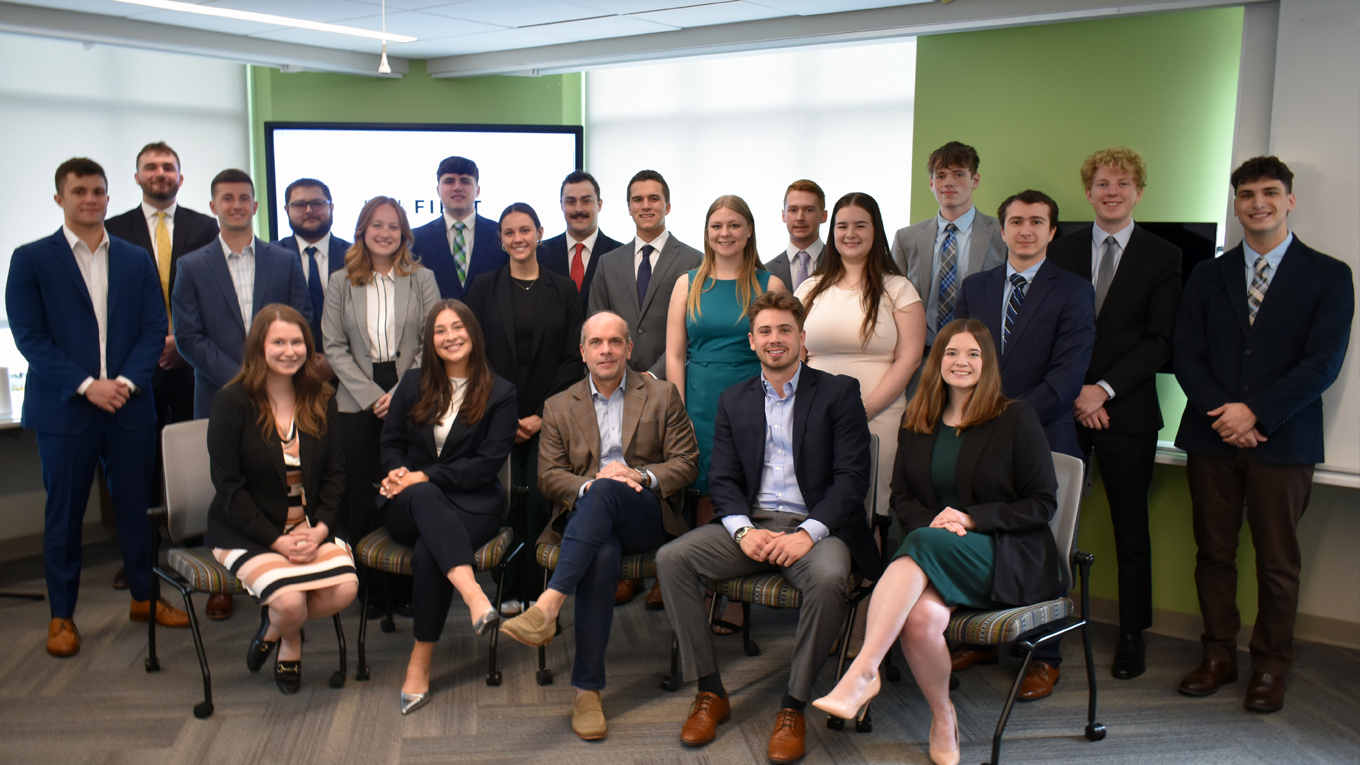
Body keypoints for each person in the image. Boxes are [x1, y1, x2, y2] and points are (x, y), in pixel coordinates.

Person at [812, 319, 1061, 765]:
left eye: (972, 354)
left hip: (1002, 553)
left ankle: (863, 670)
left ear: (987, 363)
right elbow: (902, 497)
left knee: (922, 542)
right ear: (936, 361)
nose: (960, 362)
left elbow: (1041, 504)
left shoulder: (1014, 417)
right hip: (935, 551)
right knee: (922, 622)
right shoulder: (918, 419)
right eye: (950, 353)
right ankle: (943, 715)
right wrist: (939, 527)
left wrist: (970, 518)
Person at [657, 291, 880, 765]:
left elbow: (851, 481)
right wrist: (743, 532)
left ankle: (793, 706)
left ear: (801, 339)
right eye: (765, 332)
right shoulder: (733, 400)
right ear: (752, 342)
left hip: (819, 528)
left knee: (827, 580)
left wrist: (808, 533)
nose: (774, 339)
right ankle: (710, 692)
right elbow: (724, 478)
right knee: (672, 558)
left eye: (784, 331)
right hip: (755, 525)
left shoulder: (839, 392)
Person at [1173, 156, 1353, 714]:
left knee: (1277, 562)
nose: (1258, 203)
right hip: (1211, 437)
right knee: (1214, 555)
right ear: (1235, 203)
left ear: (1289, 200)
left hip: (1285, 440)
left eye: (1270, 192)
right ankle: (1218, 655)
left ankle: (1271, 667)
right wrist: (1224, 414)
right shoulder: (1208, 273)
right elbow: (1186, 354)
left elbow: (1322, 362)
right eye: (1247, 194)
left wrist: (1254, 414)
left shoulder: (1329, 274)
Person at [7, 157, 190, 657]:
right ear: (60, 198)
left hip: (129, 405)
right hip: (66, 410)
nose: (90, 199)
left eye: (98, 192)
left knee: (137, 510)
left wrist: (126, 382)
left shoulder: (134, 258)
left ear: (110, 197)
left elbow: (155, 326)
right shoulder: (31, 259)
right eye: (79, 191)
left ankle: (144, 598)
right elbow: (30, 338)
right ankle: (62, 616)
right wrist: (88, 385)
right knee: (63, 516)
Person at [499, 311, 699, 741]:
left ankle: (549, 605)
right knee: (601, 546)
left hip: (645, 515)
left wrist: (638, 476)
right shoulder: (558, 405)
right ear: (583, 352)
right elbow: (549, 476)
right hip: (591, 521)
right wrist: (593, 484)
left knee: (612, 484)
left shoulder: (663, 395)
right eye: (596, 343)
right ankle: (587, 691)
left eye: (614, 342)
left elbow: (686, 463)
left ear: (629, 348)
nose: (605, 350)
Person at [953, 189, 1094, 700]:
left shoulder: (1075, 291)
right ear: (1003, 228)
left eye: (1037, 222)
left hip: (1044, 437)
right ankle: (987, 639)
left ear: (1053, 231)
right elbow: (963, 357)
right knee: (983, 536)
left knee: (1039, 547)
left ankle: (1044, 653)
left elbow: (1067, 375)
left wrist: (1005, 419)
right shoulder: (976, 287)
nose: (1026, 230)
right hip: (977, 434)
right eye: (1016, 221)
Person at [1049, 147, 1182, 680]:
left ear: (1138, 192)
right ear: (1088, 192)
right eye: (1102, 183)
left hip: (1127, 412)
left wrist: (1102, 390)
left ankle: (1132, 636)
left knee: (1131, 531)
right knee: (1052, 525)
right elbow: (1054, 330)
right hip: (1065, 408)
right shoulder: (1064, 250)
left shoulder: (1163, 255)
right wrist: (1078, 393)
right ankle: (1043, 623)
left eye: (1122, 183)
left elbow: (1160, 340)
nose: (1112, 191)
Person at [206, 304, 358, 695]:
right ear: (259, 346)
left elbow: (335, 475)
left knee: (346, 590)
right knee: (290, 603)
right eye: (278, 342)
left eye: (297, 342)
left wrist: (321, 528)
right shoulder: (231, 403)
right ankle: (289, 639)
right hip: (249, 530)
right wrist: (277, 541)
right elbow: (228, 487)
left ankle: (273, 626)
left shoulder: (321, 398)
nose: (289, 351)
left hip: (308, 526)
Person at [378, 300, 519, 715]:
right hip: (408, 504)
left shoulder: (501, 393)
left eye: (458, 327)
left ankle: (419, 662)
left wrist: (426, 476)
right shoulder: (412, 383)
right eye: (440, 330)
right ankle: (475, 596)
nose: (450, 336)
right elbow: (390, 444)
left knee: (429, 553)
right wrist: (399, 474)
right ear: (430, 340)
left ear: (473, 334)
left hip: (471, 505)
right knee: (422, 496)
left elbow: (486, 465)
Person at [105, 141, 222, 610]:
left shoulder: (206, 226)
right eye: (150, 168)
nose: (160, 174)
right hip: (135, 367)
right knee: (139, 465)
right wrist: (153, 344)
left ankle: (206, 550)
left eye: (168, 167)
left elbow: (217, 295)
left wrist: (181, 341)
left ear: (180, 176)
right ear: (136, 178)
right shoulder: (113, 230)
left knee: (201, 457)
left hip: (195, 363)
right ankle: (140, 555)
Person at [665, 194, 784, 627]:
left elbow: (780, 350)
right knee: (701, 492)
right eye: (717, 226)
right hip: (697, 400)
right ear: (707, 232)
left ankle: (734, 598)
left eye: (734, 225)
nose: (725, 233)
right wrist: (677, 413)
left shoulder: (769, 284)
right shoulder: (688, 282)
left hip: (752, 397)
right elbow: (675, 355)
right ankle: (697, 588)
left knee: (743, 490)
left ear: (749, 230)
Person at [465, 202, 585, 614]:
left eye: (525, 230)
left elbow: (573, 357)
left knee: (538, 499)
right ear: (500, 239)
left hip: (548, 413)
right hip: (495, 412)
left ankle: (538, 589)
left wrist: (541, 414)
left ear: (539, 232)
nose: (517, 238)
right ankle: (506, 587)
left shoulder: (563, 288)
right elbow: (472, 353)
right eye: (509, 232)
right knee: (501, 500)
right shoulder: (483, 287)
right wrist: (504, 411)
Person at [797, 191, 925, 523]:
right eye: (842, 226)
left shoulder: (898, 289)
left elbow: (909, 359)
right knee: (815, 508)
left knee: (870, 512)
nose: (850, 234)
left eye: (860, 225)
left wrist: (859, 412)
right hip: (814, 419)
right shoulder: (808, 289)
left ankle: (871, 576)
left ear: (876, 231)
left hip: (878, 415)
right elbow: (795, 356)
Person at [321, 196, 439, 544]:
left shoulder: (423, 279)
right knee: (359, 490)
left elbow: (431, 340)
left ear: (404, 233)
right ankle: (366, 586)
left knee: (404, 483)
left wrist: (401, 392)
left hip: (412, 389)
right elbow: (334, 346)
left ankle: (405, 585)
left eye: (393, 226)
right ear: (362, 230)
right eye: (377, 225)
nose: (385, 233)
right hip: (356, 396)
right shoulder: (340, 282)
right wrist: (374, 396)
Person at [172, 169, 312, 419]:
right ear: (213, 206)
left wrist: (271, 372)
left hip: (281, 390)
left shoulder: (285, 261)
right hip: (219, 394)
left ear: (255, 206)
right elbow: (188, 336)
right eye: (227, 198)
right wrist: (240, 378)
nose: (237, 205)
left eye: (244, 198)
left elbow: (301, 319)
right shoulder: (191, 267)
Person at [890, 141, 1006, 393]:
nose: (948, 182)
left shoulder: (1001, 232)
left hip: (981, 358)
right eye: (940, 175)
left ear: (974, 180)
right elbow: (890, 299)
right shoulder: (906, 238)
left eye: (958, 174)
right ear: (931, 183)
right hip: (922, 357)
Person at [588, 170, 702, 380]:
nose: (646, 205)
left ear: (667, 207)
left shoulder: (694, 261)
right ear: (629, 208)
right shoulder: (607, 263)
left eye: (654, 199)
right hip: (616, 383)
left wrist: (653, 374)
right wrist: (622, 375)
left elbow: (694, 330)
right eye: (638, 199)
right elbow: (595, 323)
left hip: (671, 383)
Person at [273, 177, 351, 380]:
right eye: (299, 205)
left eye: (317, 203)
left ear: (331, 207)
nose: (309, 210)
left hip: (350, 375)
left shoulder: (356, 256)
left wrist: (336, 361)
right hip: (286, 373)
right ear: (286, 210)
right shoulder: (269, 257)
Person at [410, 156, 504, 300]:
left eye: (465, 181)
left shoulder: (500, 234)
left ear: (478, 190)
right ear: (438, 190)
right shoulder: (417, 239)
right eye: (449, 181)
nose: (457, 187)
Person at [539, 171, 624, 309]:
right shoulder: (541, 253)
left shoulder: (620, 255)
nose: (578, 209)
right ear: (561, 205)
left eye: (586, 201)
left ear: (599, 204)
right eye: (571, 202)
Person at [763, 180, 827, 292]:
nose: (800, 217)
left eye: (809, 210)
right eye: (793, 210)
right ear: (783, 216)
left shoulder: (841, 264)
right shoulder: (766, 272)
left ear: (823, 216)